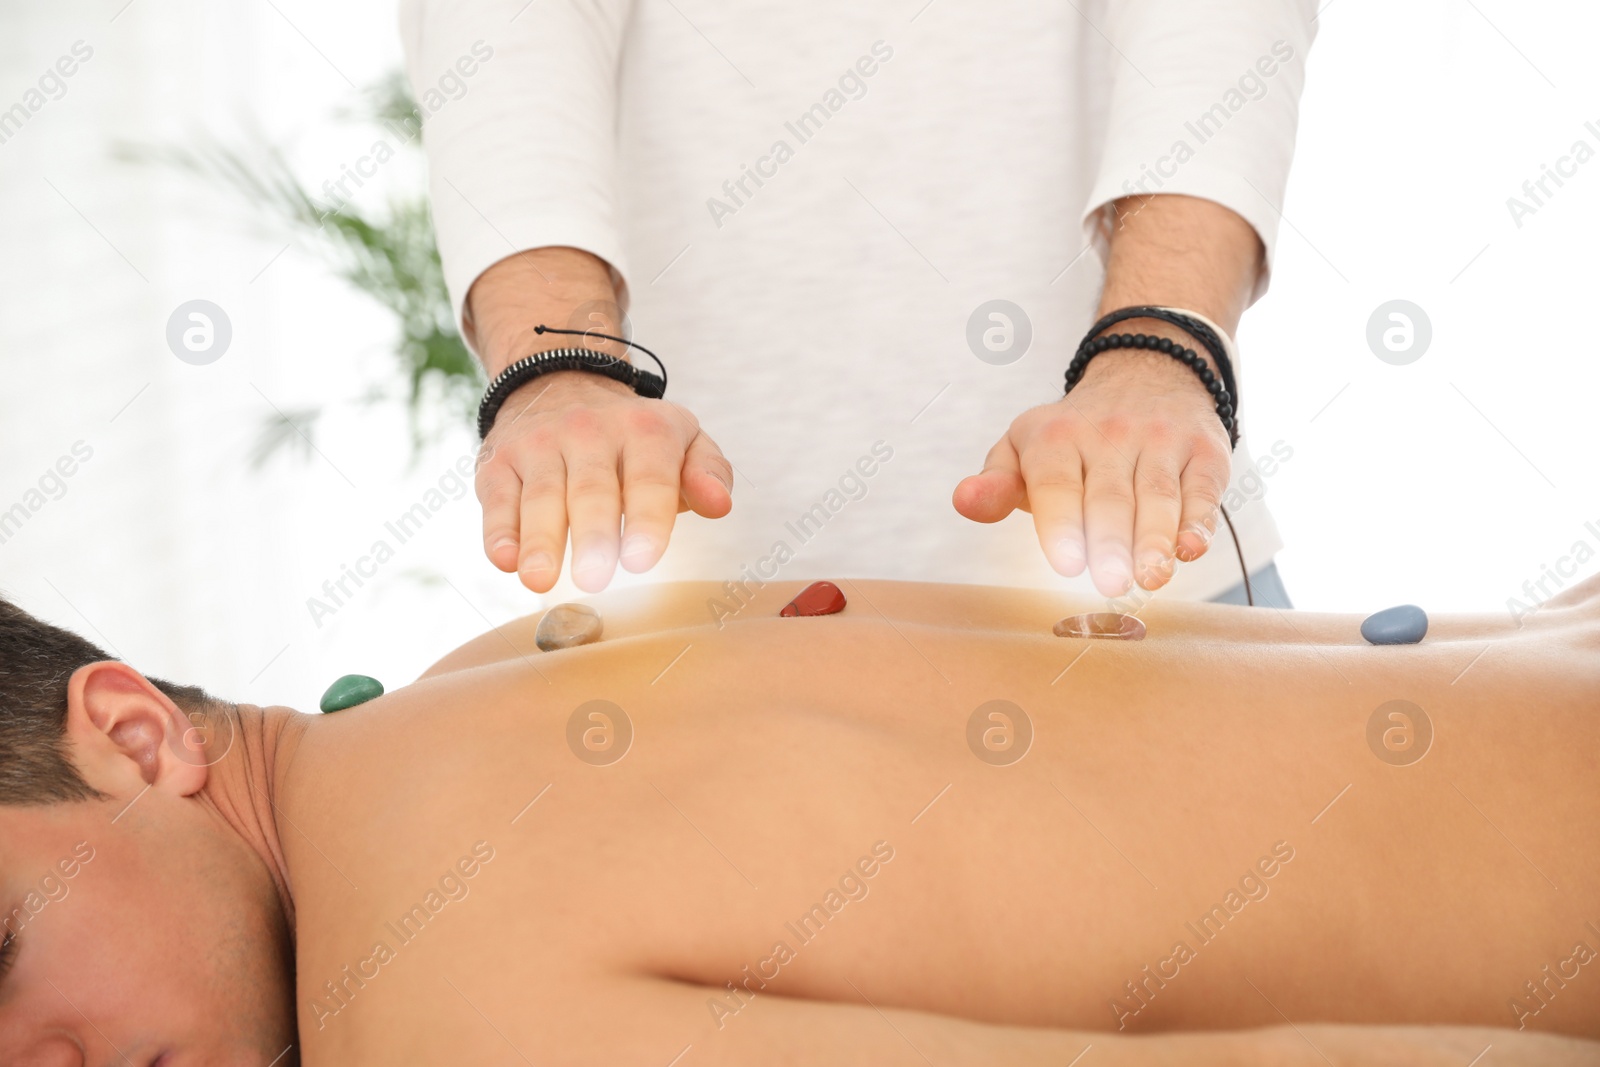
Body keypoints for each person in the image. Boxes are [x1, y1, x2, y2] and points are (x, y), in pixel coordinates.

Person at [1, 577, 1596, 1064]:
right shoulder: (495, 668)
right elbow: (1173, 646)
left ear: (136, 733)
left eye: (6, 958)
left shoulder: (431, 1012)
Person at [397, 0, 1313, 609]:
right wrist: (559, 368)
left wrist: (1157, 347)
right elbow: (506, 32)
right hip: (670, 611)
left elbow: (1214, 25)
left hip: (1142, 559)